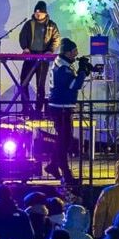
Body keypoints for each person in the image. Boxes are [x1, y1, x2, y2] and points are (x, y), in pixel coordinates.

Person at [42, 39, 93, 185]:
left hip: (62, 106)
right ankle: (65, 172)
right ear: (67, 52)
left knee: (64, 140)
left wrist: (84, 71)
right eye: (74, 51)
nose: (76, 54)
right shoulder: (63, 69)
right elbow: (74, 85)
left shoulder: (62, 65)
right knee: (64, 140)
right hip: (61, 107)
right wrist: (82, 70)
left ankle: (53, 165)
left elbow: (73, 81)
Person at [15, 0, 60, 114]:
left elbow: (56, 39)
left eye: (40, 13)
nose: (38, 14)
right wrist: (25, 47)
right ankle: (26, 109)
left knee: (40, 85)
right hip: (30, 57)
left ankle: (38, 110)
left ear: (45, 13)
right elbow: (22, 36)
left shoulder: (51, 25)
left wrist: (50, 51)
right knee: (23, 82)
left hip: (43, 59)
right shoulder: (29, 24)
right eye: (36, 13)